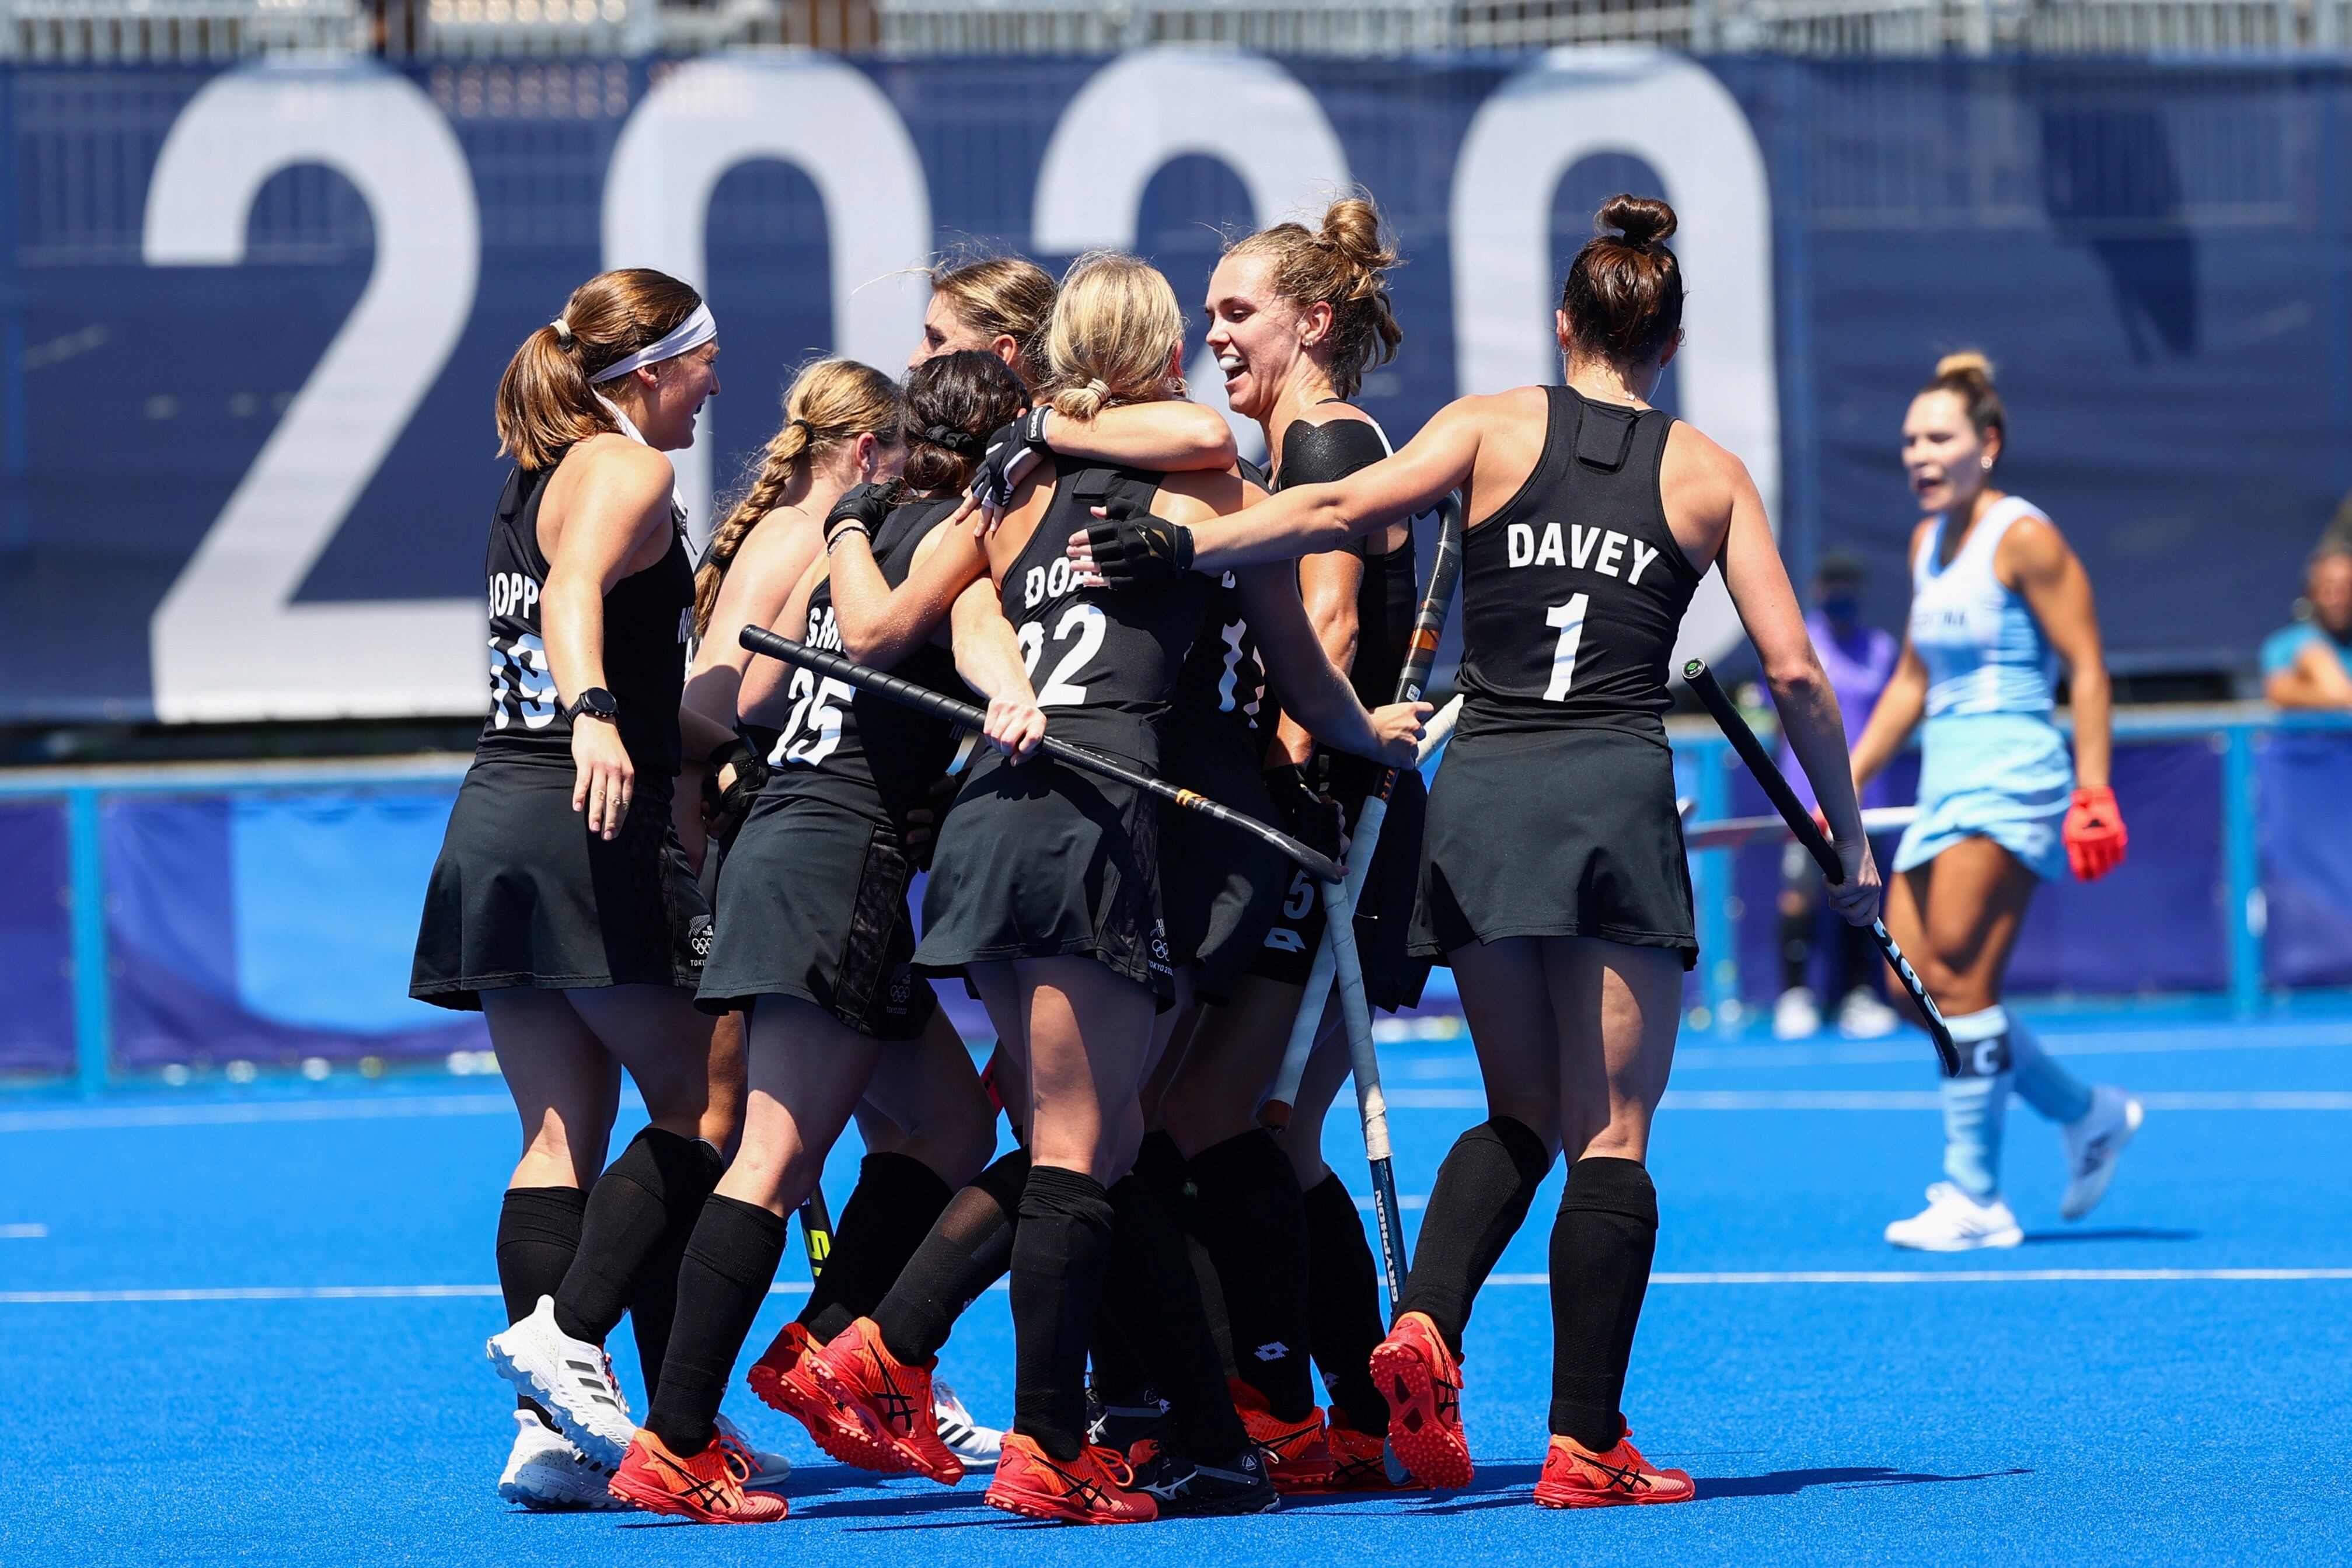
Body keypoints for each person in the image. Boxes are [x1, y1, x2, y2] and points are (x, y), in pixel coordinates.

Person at [1069, 195, 1879, 1509]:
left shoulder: (1487, 426)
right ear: (1667, 339)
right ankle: (1583, 1438)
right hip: (1611, 787)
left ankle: (1426, 1321)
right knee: (1608, 1133)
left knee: (1519, 1111)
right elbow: (1790, 670)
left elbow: (1334, 504)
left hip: (1486, 787)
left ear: (1562, 325)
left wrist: (1185, 538)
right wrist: (1846, 837)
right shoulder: (1707, 471)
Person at [592, 353, 1024, 1523]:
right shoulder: (950, 530)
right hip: (838, 857)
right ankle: (676, 1438)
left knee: (948, 1121)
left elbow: (758, 699)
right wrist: (1002, 695)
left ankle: (824, 1348)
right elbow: (901, 635)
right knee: (773, 1156)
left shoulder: (863, 520)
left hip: (787, 833)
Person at [410, 269, 762, 1508]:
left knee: (559, 1132)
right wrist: (600, 715)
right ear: (652, 369)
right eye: (704, 359)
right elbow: (571, 602)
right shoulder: (623, 469)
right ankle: (593, 1355)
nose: (714, 383)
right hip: (577, 809)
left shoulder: (538, 472)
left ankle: (552, 1429)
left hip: (498, 814)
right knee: (705, 1103)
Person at [1135, 195, 1423, 1492]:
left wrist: (1291, 783)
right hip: (1308, 823)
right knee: (1252, 1124)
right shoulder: (1293, 445)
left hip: (1329, 831)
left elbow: (1334, 618)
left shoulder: (1323, 441)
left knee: (1213, 1113)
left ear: (1312, 321)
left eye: (1234, 312)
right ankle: (1359, 1413)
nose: (1213, 337)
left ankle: (1295, 1401)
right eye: (1206, 315)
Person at [1846, 352, 2142, 1252]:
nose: (1919, 455)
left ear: (1988, 445)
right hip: (1945, 778)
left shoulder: (2024, 537)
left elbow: (2086, 666)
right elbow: (1908, 680)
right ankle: (2084, 1112)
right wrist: (1842, 784)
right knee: (1913, 985)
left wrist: (2092, 787)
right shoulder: (1922, 542)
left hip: (2014, 773)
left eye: (1938, 438)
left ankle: (1975, 1195)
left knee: (1963, 982)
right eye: (1908, 441)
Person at [1771, 551, 1904, 1040]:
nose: (1842, 592)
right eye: (1834, 583)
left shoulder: (1884, 649)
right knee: (1799, 896)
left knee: (1862, 892)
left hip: (1869, 802)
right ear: (1818, 589)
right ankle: (1795, 996)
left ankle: (1858, 994)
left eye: (1851, 582)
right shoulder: (1797, 644)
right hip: (1806, 802)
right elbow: (1780, 722)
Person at [2261, 538, 2352, 709]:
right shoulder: (2284, 644)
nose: (2339, 599)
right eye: (2329, 588)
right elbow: (2279, 691)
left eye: (2347, 588)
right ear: (2313, 591)